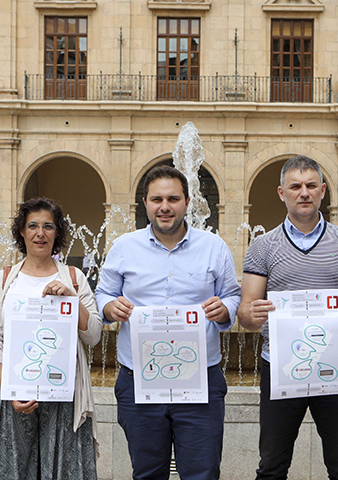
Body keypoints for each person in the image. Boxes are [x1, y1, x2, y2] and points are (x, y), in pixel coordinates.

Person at [95, 166, 241, 480]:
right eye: (157, 199)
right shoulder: (124, 248)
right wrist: (110, 307)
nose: (165, 206)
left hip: (201, 379)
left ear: (187, 202)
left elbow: (232, 295)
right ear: (145, 203)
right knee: (148, 472)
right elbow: (103, 293)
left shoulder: (214, 247)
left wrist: (224, 309)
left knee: (202, 472)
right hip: (138, 379)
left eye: (173, 198)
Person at [237, 155, 338, 480]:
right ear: (281, 192)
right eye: (295, 186)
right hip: (282, 366)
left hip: (337, 366)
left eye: (311, 185)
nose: (304, 192)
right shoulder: (262, 247)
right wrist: (251, 314)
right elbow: (245, 311)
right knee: (271, 466)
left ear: (323, 190)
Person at [0, 197, 101, 480]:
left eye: (48, 226)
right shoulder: (5, 278)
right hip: (11, 394)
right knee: (10, 470)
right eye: (32, 225)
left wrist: (72, 299)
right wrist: (10, 386)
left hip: (63, 394)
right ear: (21, 231)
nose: (40, 233)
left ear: (57, 233)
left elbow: (93, 335)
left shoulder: (74, 277)